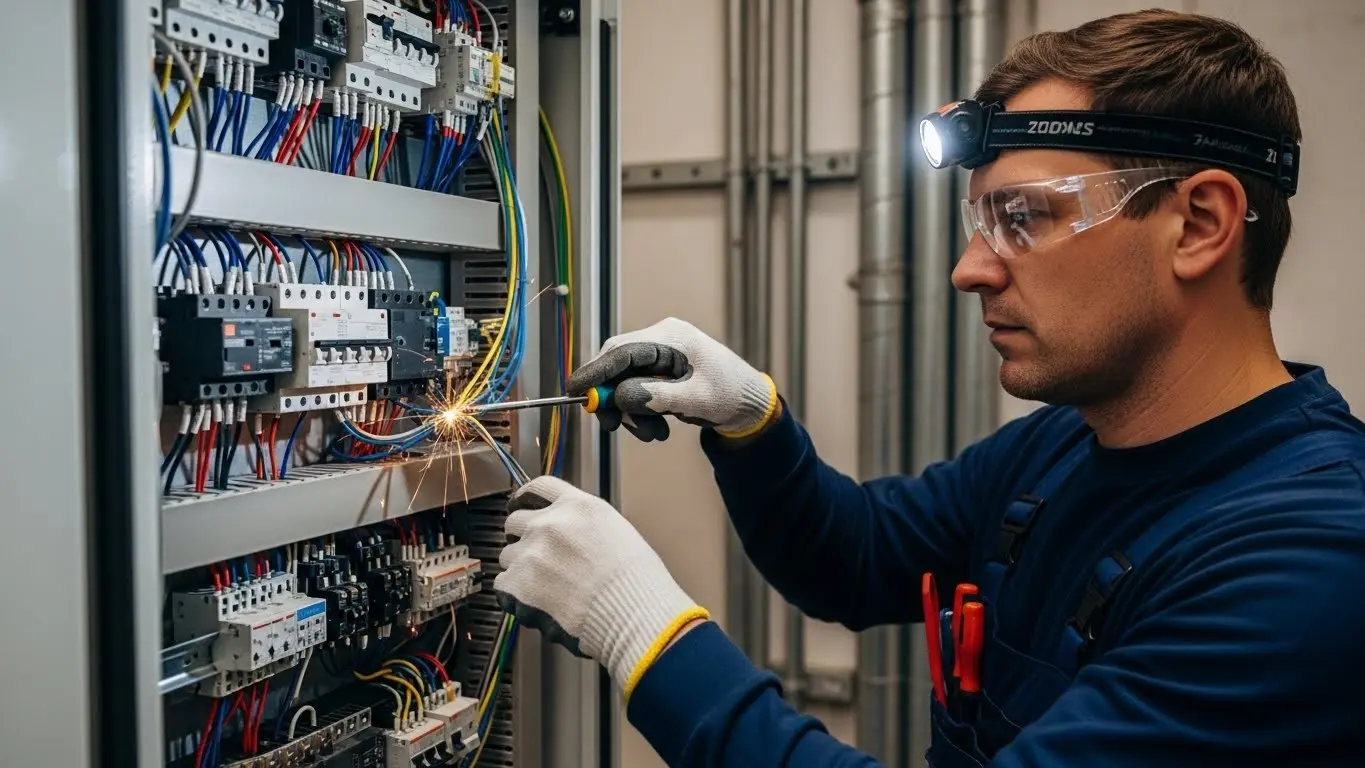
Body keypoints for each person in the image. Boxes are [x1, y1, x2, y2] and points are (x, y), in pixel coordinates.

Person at [494, 9, 1365, 767]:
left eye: (1022, 218)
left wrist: (642, 632)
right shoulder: (1068, 444)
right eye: (979, 220)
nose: (968, 270)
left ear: (1200, 224)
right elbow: (854, 559)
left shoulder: (1306, 567)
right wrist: (752, 422)